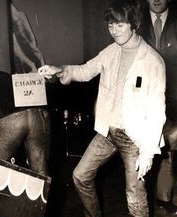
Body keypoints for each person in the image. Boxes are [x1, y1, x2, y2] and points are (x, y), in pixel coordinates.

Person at [38, 0, 166, 216]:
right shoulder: (111, 51)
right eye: (110, 25)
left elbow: (157, 110)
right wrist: (59, 70)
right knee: (80, 176)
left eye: (119, 25)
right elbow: (85, 70)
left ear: (133, 24)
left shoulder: (153, 61)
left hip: (135, 139)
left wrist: (148, 152)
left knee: (134, 197)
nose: (114, 31)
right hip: (108, 132)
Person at [140, 0, 177, 214]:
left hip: (175, 96)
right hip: (146, 98)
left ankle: (168, 199)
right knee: (156, 150)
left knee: (175, 148)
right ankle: (162, 199)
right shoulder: (136, 20)